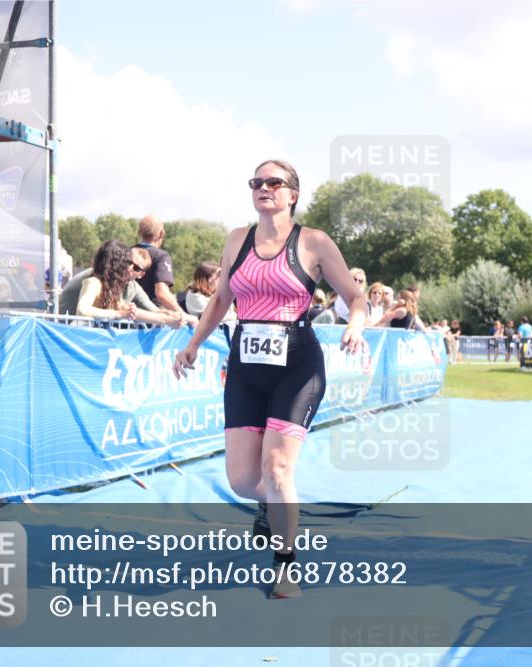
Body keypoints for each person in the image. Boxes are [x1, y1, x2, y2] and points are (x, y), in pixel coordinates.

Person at [172, 159, 366, 600]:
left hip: (297, 365)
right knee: (242, 480)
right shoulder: (236, 240)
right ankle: (271, 503)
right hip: (246, 364)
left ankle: (285, 565)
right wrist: (194, 344)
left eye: (273, 182)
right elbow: (221, 299)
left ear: (293, 194)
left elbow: (355, 297)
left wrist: (355, 325)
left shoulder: (314, 242)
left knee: (278, 469)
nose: (263, 188)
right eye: (256, 182)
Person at [76, 241, 183, 328]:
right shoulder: (94, 282)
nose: (128, 267)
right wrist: (120, 314)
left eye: (135, 267)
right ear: (115, 264)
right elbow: (82, 310)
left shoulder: (113, 288)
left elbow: (128, 311)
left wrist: (169, 316)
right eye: (126, 263)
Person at [135, 215, 182, 313]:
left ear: (139, 232)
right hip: (151, 318)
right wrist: (183, 315)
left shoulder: (126, 253)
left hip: (126, 316)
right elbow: (161, 293)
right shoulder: (161, 256)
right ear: (162, 234)